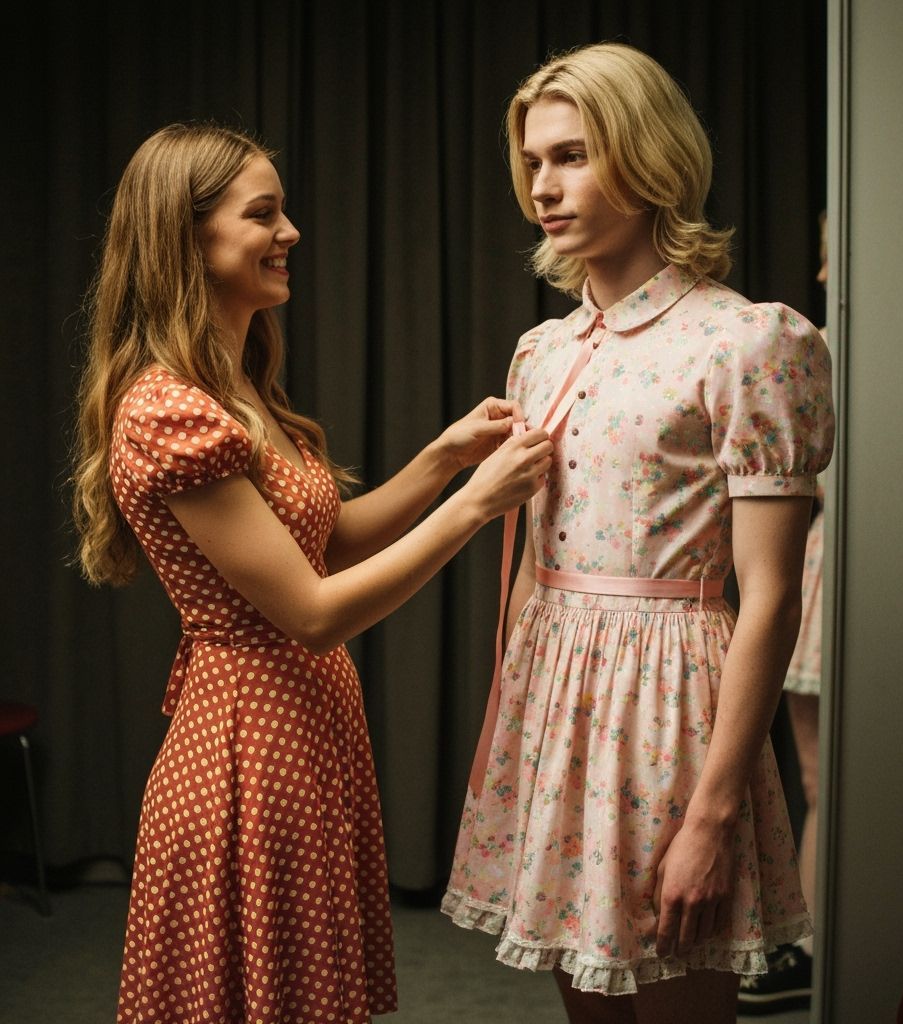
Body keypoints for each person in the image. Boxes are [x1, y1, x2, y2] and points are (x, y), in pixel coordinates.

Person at [70, 121, 553, 1023]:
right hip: (248, 751)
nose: (291, 232)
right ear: (190, 240)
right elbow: (313, 612)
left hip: (302, 733)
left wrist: (444, 459)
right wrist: (478, 505)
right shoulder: (171, 407)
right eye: (264, 214)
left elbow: (322, 548)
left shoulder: (235, 381)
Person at [441, 43, 835, 1024]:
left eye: (572, 155)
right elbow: (534, 569)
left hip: (672, 717)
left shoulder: (746, 341)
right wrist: (522, 761)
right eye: (533, 161)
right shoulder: (542, 350)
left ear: (648, 156)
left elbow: (771, 596)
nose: (544, 185)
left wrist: (710, 812)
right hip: (563, 712)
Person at [737, 210, 830, 1016]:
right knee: (811, 770)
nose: (826, 276)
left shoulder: (782, 346)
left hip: (823, 558)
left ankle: (805, 941)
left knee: (818, 772)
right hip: (820, 553)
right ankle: (803, 942)